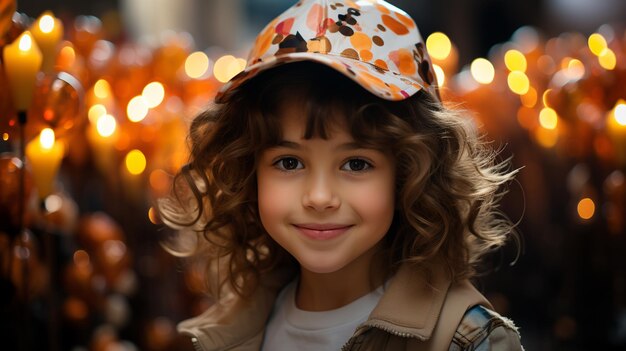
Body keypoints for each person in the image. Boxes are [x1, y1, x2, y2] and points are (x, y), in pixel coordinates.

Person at [159, 0, 524, 350]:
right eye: (289, 162)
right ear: (247, 172)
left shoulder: (466, 340)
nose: (319, 197)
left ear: (411, 173)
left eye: (356, 164)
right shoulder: (225, 332)